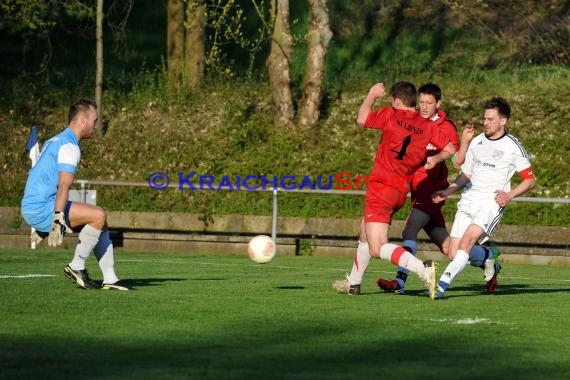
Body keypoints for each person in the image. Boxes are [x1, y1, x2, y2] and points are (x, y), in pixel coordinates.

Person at [332, 81, 456, 299]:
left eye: (392, 100)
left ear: (397, 101)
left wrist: (371, 95)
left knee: (377, 247)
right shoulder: (427, 125)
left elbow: (362, 118)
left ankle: (422, 269)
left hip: (381, 187)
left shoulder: (391, 114)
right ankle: (353, 283)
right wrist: (434, 158)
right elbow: (450, 148)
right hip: (400, 190)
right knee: (364, 232)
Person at [376, 83, 500, 295]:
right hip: (416, 190)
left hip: (432, 191)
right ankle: (487, 256)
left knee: (409, 230)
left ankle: (400, 282)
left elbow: (457, 161)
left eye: (429, 103)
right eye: (421, 102)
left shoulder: (445, 127)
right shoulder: (412, 122)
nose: (423, 107)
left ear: (438, 104)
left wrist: (455, 147)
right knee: (448, 248)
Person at [431, 97, 535, 298]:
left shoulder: (514, 147)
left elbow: (530, 181)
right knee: (453, 253)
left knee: (468, 241)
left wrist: (510, 195)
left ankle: (442, 285)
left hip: (491, 202)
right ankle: (488, 256)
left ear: (503, 121)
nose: (485, 122)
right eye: (484, 118)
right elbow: (466, 174)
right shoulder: (476, 141)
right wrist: (448, 191)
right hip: (469, 199)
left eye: (490, 119)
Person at [21, 99, 130, 291]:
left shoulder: (55, 140)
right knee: (99, 215)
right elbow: (64, 185)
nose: (96, 126)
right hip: (42, 207)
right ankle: (76, 266)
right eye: (94, 121)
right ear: (82, 119)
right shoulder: (69, 146)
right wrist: (56, 219)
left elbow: (39, 176)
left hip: (33, 204)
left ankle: (110, 279)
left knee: (98, 222)